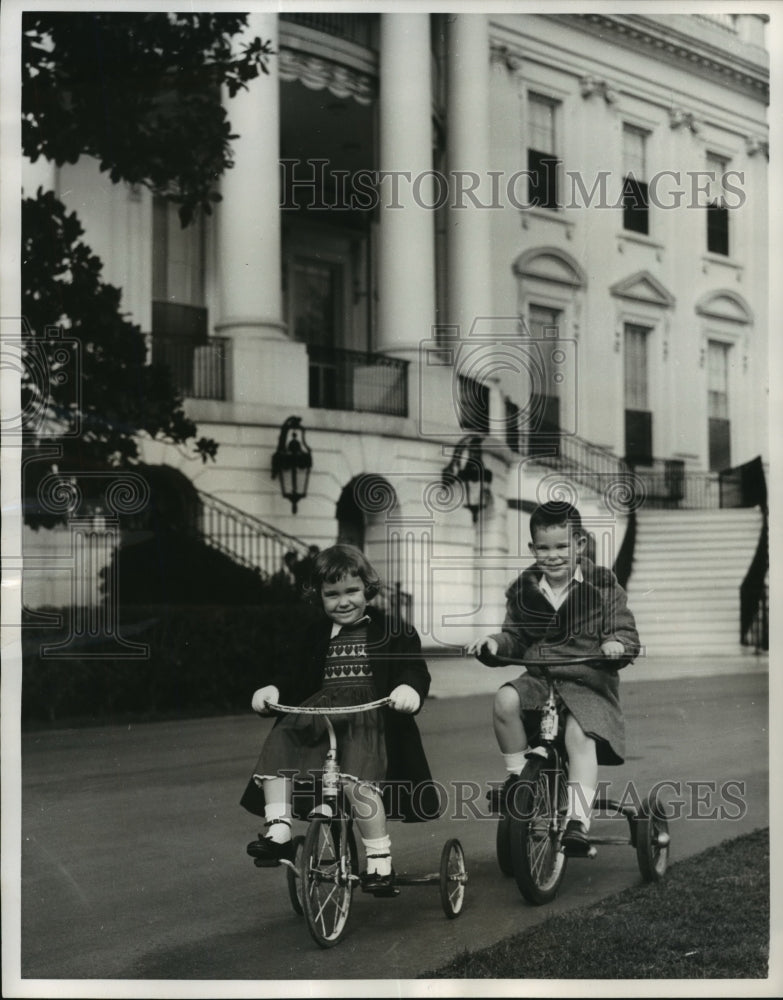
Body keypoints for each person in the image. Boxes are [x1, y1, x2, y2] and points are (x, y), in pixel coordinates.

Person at [243, 543, 441, 892]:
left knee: (355, 780)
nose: (343, 601)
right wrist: (273, 689)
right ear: (318, 596)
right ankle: (279, 829)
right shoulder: (314, 633)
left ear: (368, 589)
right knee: (282, 740)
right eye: (332, 594)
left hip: (368, 715)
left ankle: (379, 861)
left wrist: (409, 689)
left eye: (352, 590)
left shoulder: (392, 630)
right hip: (322, 712)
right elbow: (292, 672)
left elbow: (413, 668)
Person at [467, 500, 640, 855]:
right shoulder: (524, 591)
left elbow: (624, 631)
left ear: (579, 544)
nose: (553, 556)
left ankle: (577, 821)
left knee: (580, 734)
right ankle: (519, 780)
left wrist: (615, 644)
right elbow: (514, 636)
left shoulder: (603, 587)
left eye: (562, 546)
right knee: (505, 700)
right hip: (541, 679)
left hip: (586, 679)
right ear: (532, 549)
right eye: (543, 548)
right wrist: (493, 643)